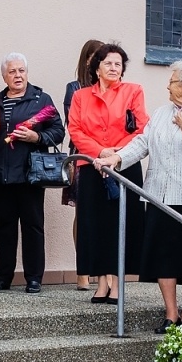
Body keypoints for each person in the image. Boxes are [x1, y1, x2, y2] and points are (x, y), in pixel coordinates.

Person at [94, 60, 182, 332]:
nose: (167, 86)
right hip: (160, 196)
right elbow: (142, 143)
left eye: (172, 81)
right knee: (165, 256)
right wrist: (117, 158)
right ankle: (171, 313)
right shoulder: (162, 113)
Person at [68, 43, 148, 304]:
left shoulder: (133, 91)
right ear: (97, 68)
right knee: (95, 226)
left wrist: (116, 154)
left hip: (124, 166)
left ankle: (117, 284)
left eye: (118, 64)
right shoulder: (81, 96)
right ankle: (101, 282)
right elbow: (75, 130)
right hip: (92, 166)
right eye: (108, 63)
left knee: (120, 225)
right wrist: (100, 152)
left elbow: (141, 129)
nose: (114, 68)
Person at [0, 53, 64, 293]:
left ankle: (34, 278)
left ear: (27, 73)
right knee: (4, 227)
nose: (17, 75)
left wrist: (36, 137)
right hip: (1, 174)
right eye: (12, 72)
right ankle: (3, 278)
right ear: (4, 76)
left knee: (33, 226)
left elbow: (58, 131)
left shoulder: (41, 99)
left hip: (30, 174)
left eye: (21, 71)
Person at [63, 39, 104, 291]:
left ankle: (103, 269)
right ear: (87, 60)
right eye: (95, 56)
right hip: (82, 156)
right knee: (83, 213)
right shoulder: (75, 88)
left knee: (105, 215)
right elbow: (75, 125)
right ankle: (83, 271)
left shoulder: (114, 89)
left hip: (108, 157)